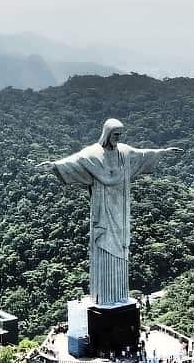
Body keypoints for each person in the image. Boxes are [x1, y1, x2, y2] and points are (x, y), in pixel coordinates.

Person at [36, 119, 184, 305]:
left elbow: (144, 154)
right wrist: (54, 166)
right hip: (103, 210)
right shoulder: (93, 154)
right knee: (104, 248)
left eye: (120, 135)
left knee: (121, 250)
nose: (118, 138)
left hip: (120, 210)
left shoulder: (124, 152)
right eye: (115, 134)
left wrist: (164, 152)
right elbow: (74, 162)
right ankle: (104, 297)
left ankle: (119, 296)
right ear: (107, 133)